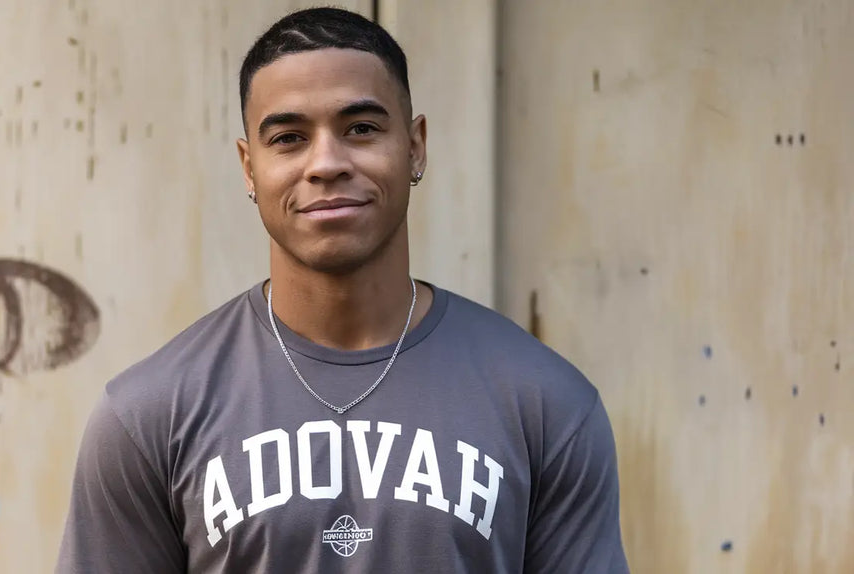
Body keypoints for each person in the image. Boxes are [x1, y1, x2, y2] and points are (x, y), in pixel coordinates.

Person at [55, 6, 630, 573]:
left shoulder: (547, 404)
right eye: (288, 137)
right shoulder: (148, 415)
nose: (325, 163)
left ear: (415, 146)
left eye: (361, 128)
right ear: (248, 167)